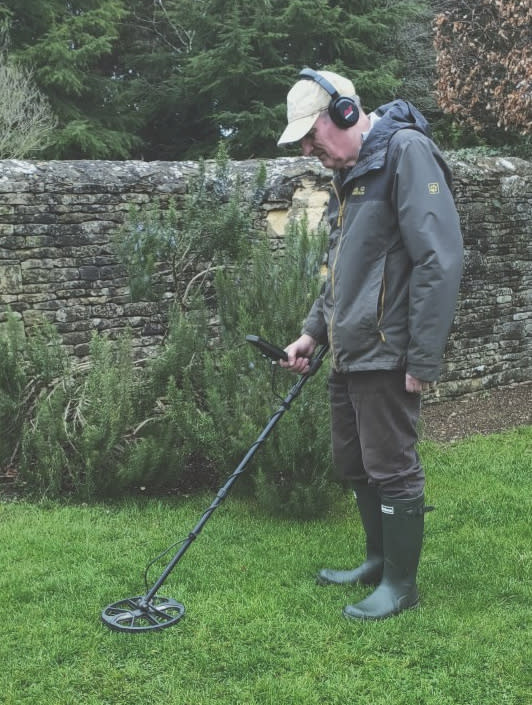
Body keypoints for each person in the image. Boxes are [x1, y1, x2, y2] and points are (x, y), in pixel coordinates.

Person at [277, 68, 463, 620]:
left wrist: (423, 356)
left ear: (346, 113)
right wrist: (314, 332)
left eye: (313, 136)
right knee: (355, 462)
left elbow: (439, 259)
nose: (312, 150)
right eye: (305, 143)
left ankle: (401, 586)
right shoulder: (353, 173)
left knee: (392, 465)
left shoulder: (406, 154)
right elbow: (341, 269)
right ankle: (377, 561)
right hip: (351, 349)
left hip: (388, 349)